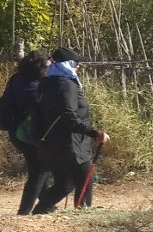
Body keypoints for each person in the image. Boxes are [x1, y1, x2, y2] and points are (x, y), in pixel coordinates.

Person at [31, 48, 107, 214]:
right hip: (72, 145)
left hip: (52, 144)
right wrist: (94, 133)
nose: (78, 66)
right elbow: (68, 115)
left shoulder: (46, 83)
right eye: (76, 63)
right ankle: (83, 219)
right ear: (68, 65)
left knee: (64, 184)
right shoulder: (67, 84)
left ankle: (39, 212)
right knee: (85, 182)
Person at [0, 51, 49, 215]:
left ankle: (47, 205)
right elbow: (38, 106)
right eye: (47, 67)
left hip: (19, 132)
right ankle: (24, 212)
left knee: (41, 168)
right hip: (25, 133)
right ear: (38, 69)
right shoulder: (29, 87)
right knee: (40, 170)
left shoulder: (19, 78)